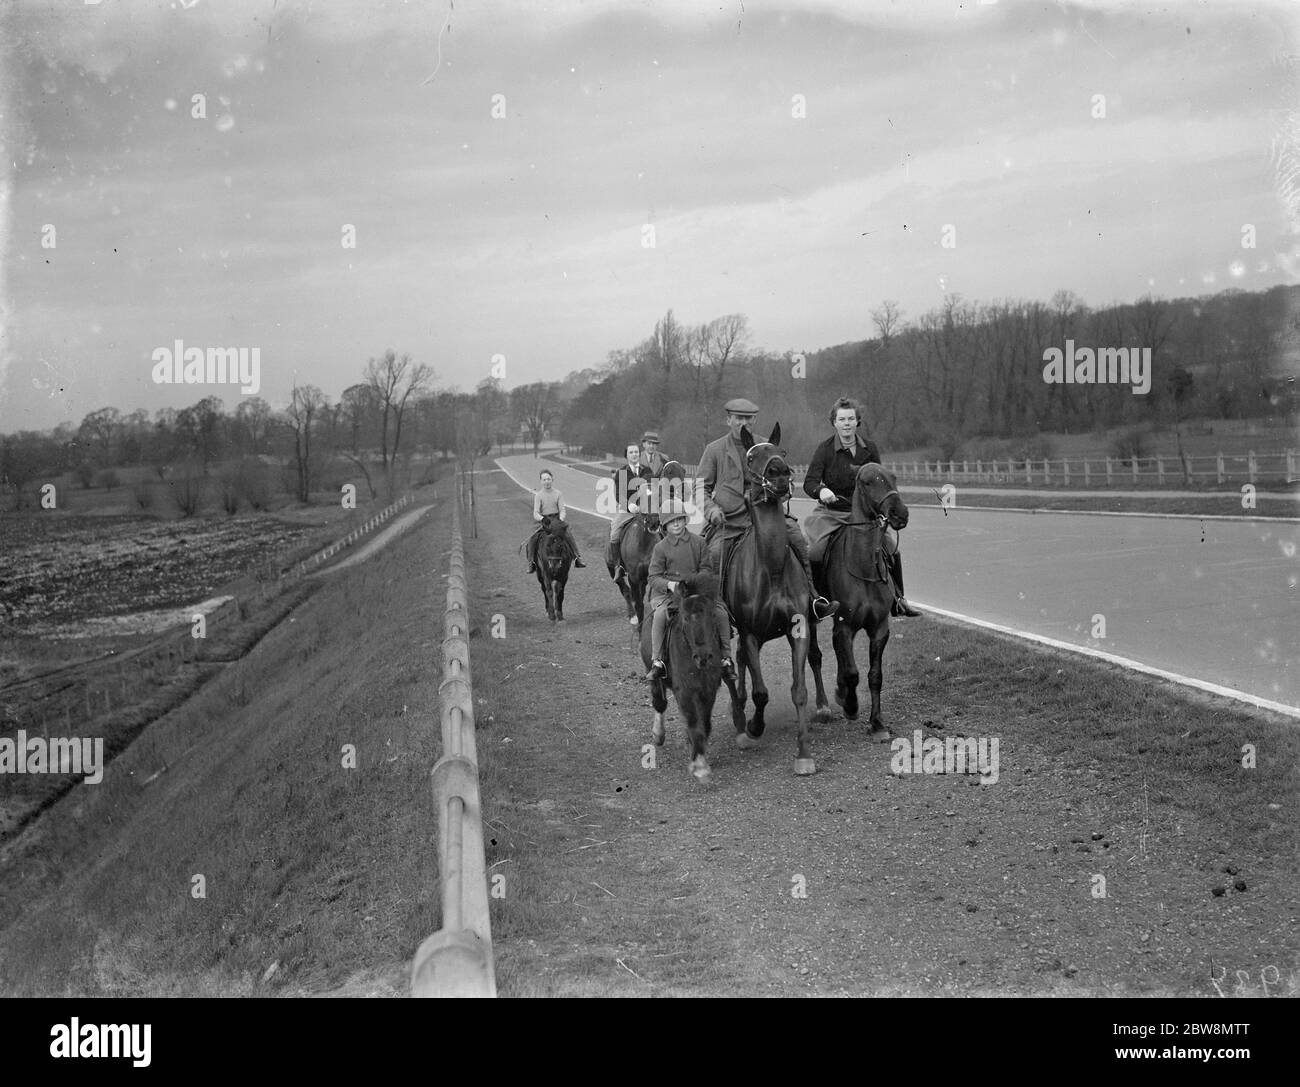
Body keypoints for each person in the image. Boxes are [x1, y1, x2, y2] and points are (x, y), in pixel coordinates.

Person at [697, 398, 837, 620]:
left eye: (748, 418)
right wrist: (711, 509)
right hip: (729, 521)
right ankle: (717, 612)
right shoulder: (714, 450)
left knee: (798, 540)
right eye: (738, 418)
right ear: (728, 420)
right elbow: (700, 488)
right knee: (712, 556)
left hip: (768, 517)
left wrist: (786, 488)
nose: (744, 422)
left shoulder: (767, 447)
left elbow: (784, 476)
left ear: (754, 420)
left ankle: (812, 598)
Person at [802, 396, 921, 617]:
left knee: (892, 548)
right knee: (816, 553)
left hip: (865, 516)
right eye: (841, 419)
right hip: (832, 514)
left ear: (857, 421)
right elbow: (809, 482)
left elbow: (880, 482)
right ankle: (818, 601)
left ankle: (899, 600)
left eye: (851, 419)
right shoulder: (825, 450)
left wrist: (883, 510)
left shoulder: (870, 449)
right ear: (834, 422)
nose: (846, 423)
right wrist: (822, 491)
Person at [644, 500, 735, 681]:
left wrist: (695, 583)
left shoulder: (699, 542)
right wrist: (671, 585)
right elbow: (653, 577)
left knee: (721, 613)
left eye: (679, 519)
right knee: (661, 614)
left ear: (686, 520)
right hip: (669, 594)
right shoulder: (660, 548)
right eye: (671, 521)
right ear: (665, 525)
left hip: (697, 592)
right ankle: (658, 661)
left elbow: (707, 569)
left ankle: (726, 658)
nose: (676, 524)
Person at [605, 441, 652, 579]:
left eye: (636, 452)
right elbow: (619, 495)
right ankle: (618, 566)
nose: (634, 454)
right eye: (631, 452)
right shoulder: (622, 473)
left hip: (647, 509)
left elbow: (653, 489)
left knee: (664, 526)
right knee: (614, 529)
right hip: (628, 510)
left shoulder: (647, 471)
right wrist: (629, 506)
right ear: (626, 455)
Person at [526, 469, 585, 572]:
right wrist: (542, 519)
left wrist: (560, 520)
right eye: (544, 480)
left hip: (557, 520)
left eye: (548, 479)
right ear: (541, 481)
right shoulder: (538, 495)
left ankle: (577, 558)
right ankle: (532, 563)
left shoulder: (558, 493)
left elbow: (562, 510)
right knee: (533, 539)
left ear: (552, 479)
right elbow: (536, 513)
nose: (547, 481)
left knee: (568, 535)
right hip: (544, 521)